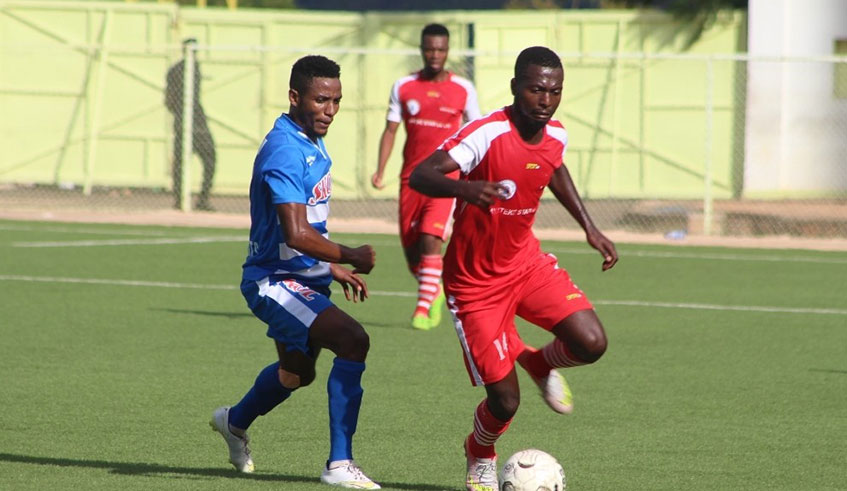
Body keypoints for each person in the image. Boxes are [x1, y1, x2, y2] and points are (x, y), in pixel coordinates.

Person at [409, 46, 619, 491]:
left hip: (525, 265)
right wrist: (466, 190)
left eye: (554, 91)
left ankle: (540, 363)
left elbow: (554, 169)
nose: (545, 99)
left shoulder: (556, 134)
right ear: (515, 87)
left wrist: (589, 227)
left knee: (591, 342)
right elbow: (421, 175)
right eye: (536, 89)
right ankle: (479, 452)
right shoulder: (486, 134)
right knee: (505, 401)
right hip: (473, 285)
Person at [209, 55, 381, 489]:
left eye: (337, 100)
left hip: (303, 276)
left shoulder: (309, 138)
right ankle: (339, 464)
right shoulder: (285, 149)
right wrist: (349, 254)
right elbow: (298, 232)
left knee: (296, 374)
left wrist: (329, 267)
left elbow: (307, 229)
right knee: (353, 339)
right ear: (294, 97)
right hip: (274, 282)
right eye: (321, 99)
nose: (330, 110)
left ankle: (234, 421)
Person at [371, 23, 481, 331]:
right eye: (430, 49)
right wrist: (381, 170)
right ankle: (434, 287)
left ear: (448, 52)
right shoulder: (403, 86)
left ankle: (422, 310)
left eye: (441, 49)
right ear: (422, 50)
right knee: (412, 254)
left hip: (446, 179)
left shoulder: (464, 89)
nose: (435, 54)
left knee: (431, 239)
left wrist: (474, 175)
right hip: (411, 180)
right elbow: (390, 131)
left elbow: (478, 133)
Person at [165, 38, 216, 211]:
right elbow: (169, 99)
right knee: (181, 161)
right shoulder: (177, 70)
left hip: (197, 120)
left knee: (209, 157)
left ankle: (202, 199)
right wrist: (181, 113)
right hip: (184, 121)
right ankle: (181, 200)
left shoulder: (194, 68)